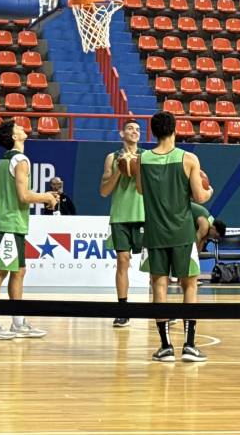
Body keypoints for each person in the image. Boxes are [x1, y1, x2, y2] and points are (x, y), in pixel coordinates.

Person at [136, 111, 213, 362]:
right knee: (189, 285)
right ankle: (189, 345)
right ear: (175, 129)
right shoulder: (188, 159)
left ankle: (165, 346)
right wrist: (209, 190)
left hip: (155, 232)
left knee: (159, 286)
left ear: (153, 132)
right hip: (181, 232)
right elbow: (200, 198)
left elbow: (139, 189)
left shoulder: (142, 159)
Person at [0, 120, 58, 340]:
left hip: (12, 222)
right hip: (9, 223)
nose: (22, 127)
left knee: (19, 271)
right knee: (0, 271)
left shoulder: (6, 159)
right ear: (14, 136)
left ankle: (17, 322)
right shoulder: (20, 160)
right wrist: (47, 197)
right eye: (17, 127)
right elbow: (24, 196)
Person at [99, 120, 144, 328]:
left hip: (144, 215)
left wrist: (135, 168)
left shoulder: (146, 156)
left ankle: (159, 307)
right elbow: (104, 191)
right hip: (120, 216)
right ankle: (123, 309)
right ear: (121, 133)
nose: (134, 132)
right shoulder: (111, 157)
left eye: (137, 129)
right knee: (123, 261)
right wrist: (120, 168)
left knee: (155, 264)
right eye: (130, 128)